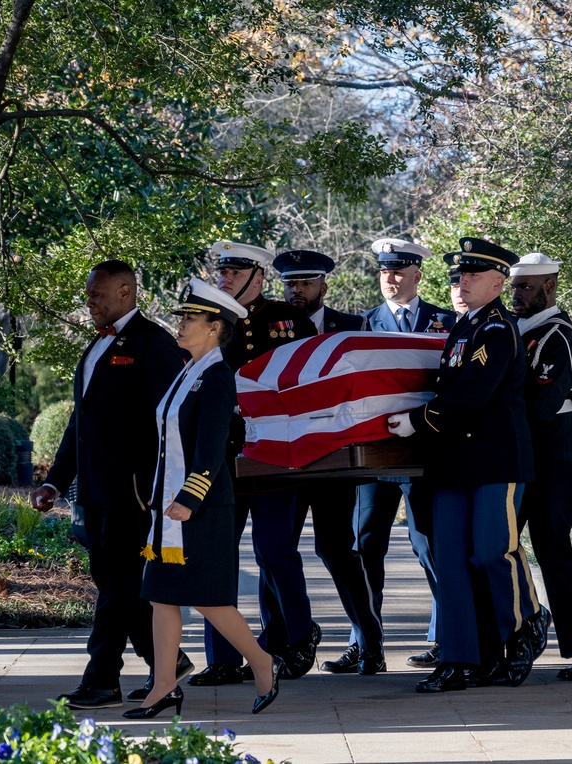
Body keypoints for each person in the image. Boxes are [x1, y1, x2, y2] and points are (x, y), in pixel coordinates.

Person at [30, 259, 189, 710]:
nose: (89, 301)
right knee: (117, 584)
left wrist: (158, 484)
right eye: (89, 293)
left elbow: (170, 420)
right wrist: (56, 482)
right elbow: (81, 424)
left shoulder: (153, 343)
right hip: (97, 491)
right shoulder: (95, 346)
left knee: (116, 587)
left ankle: (102, 679)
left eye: (97, 294)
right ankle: (170, 663)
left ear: (125, 292)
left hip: (133, 492)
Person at [387, 237, 543, 693]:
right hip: (454, 464)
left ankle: (524, 626)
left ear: (498, 283)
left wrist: (417, 421)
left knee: (491, 552)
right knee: (452, 562)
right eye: (459, 275)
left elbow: (473, 395)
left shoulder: (497, 330)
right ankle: (460, 658)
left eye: (472, 275)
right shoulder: (461, 330)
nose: (462, 282)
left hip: (496, 462)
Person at [123, 279, 281, 719]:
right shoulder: (187, 371)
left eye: (190, 318)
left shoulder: (215, 376)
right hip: (170, 510)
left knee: (210, 599)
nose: (181, 323)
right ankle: (164, 686)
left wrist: (189, 498)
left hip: (202, 507)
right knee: (160, 595)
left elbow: (213, 447)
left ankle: (264, 662)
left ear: (215, 328)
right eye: (182, 317)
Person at [189, 241, 320, 687]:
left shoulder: (289, 319)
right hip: (223, 458)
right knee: (217, 555)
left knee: (274, 551)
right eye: (221, 271)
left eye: (235, 271)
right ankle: (222, 659)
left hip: (273, 457)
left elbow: (309, 380)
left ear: (257, 277)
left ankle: (300, 633)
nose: (224, 277)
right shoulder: (210, 322)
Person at [271, 249, 385, 675]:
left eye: (304, 283)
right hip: (283, 460)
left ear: (324, 285)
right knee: (276, 550)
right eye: (289, 284)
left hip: (334, 459)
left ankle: (370, 641)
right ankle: (283, 645)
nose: (295, 291)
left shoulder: (352, 328)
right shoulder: (270, 327)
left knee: (335, 550)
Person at [358, 238, 455, 669]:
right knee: (364, 547)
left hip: (424, 449)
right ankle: (365, 643)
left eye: (398, 272)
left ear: (417, 275)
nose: (390, 279)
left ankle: (449, 637)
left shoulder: (446, 321)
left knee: (429, 545)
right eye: (384, 272)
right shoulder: (361, 325)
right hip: (373, 455)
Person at [508, 253, 572, 681]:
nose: (517, 294)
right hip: (534, 455)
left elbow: (543, 405)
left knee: (551, 546)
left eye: (526, 287)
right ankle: (531, 629)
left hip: (559, 455)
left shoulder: (557, 336)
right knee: (507, 543)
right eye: (514, 286)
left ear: (549, 287)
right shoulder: (523, 332)